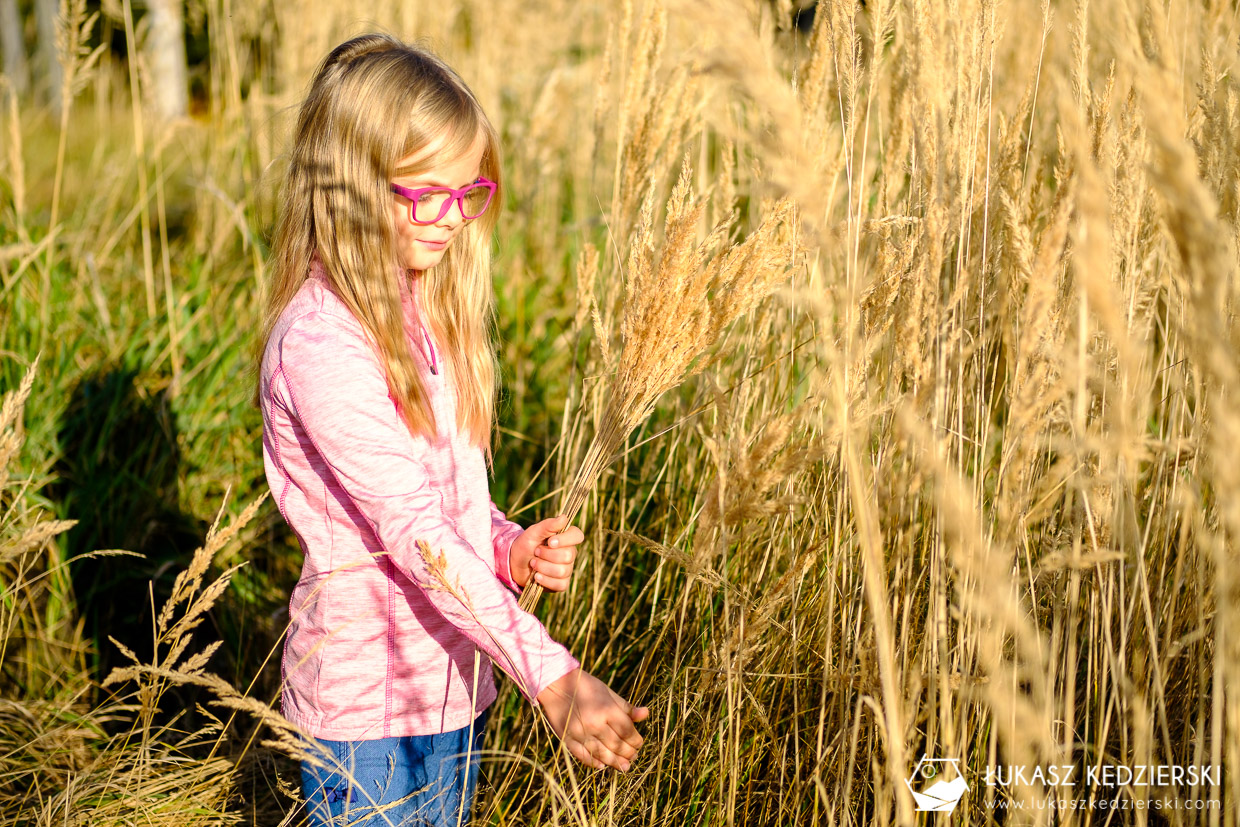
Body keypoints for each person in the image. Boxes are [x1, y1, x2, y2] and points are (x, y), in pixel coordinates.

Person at [256, 33, 649, 827]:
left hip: (453, 692)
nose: (451, 218)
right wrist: (556, 678)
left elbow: (442, 502)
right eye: (424, 192)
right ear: (354, 188)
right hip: (368, 719)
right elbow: (412, 532)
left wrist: (506, 544)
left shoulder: (424, 314)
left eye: (466, 191)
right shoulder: (323, 344)